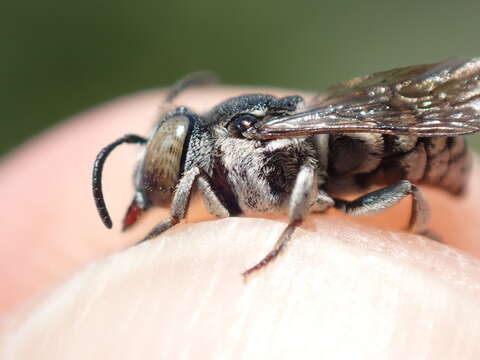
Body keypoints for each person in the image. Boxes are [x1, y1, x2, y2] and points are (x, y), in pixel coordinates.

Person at [1, 87, 480, 358]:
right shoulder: (209, 167)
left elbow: (307, 170)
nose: (174, 172)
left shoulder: (252, 139)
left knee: (404, 191)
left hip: (411, 148)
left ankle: (412, 232)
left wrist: (287, 233)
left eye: (165, 161)